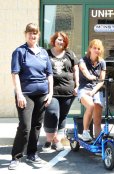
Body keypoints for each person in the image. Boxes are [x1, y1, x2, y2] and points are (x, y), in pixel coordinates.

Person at [9, 23, 53, 170]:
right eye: (30, 33)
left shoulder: (43, 53)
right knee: (25, 126)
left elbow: (49, 74)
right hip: (25, 94)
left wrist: (50, 93)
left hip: (42, 94)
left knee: (36, 125)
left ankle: (32, 154)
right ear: (25, 34)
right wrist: (19, 94)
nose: (32, 35)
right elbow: (15, 74)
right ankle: (16, 157)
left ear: (38, 35)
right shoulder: (20, 52)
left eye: (35, 33)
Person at [42, 32, 79, 152]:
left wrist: (77, 85)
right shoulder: (46, 53)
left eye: (63, 40)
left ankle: (56, 140)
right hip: (52, 91)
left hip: (68, 91)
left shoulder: (70, 54)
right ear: (53, 40)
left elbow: (76, 69)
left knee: (62, 116)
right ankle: (50, 140)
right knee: (52, 113)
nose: (61, 42)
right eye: (58, 39)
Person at [78, 39, 106, 142]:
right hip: (84, 89)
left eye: (99, 48)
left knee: (98, 119)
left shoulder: (102, 62)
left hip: (96, 90)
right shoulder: (83, 60)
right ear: (90, 49)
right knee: (90, 105)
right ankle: (85, 132)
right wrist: (90, 77)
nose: (97, 50)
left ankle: (98, 141)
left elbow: (101, 81)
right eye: (94, 48)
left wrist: (94, 91)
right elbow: (84, 70)